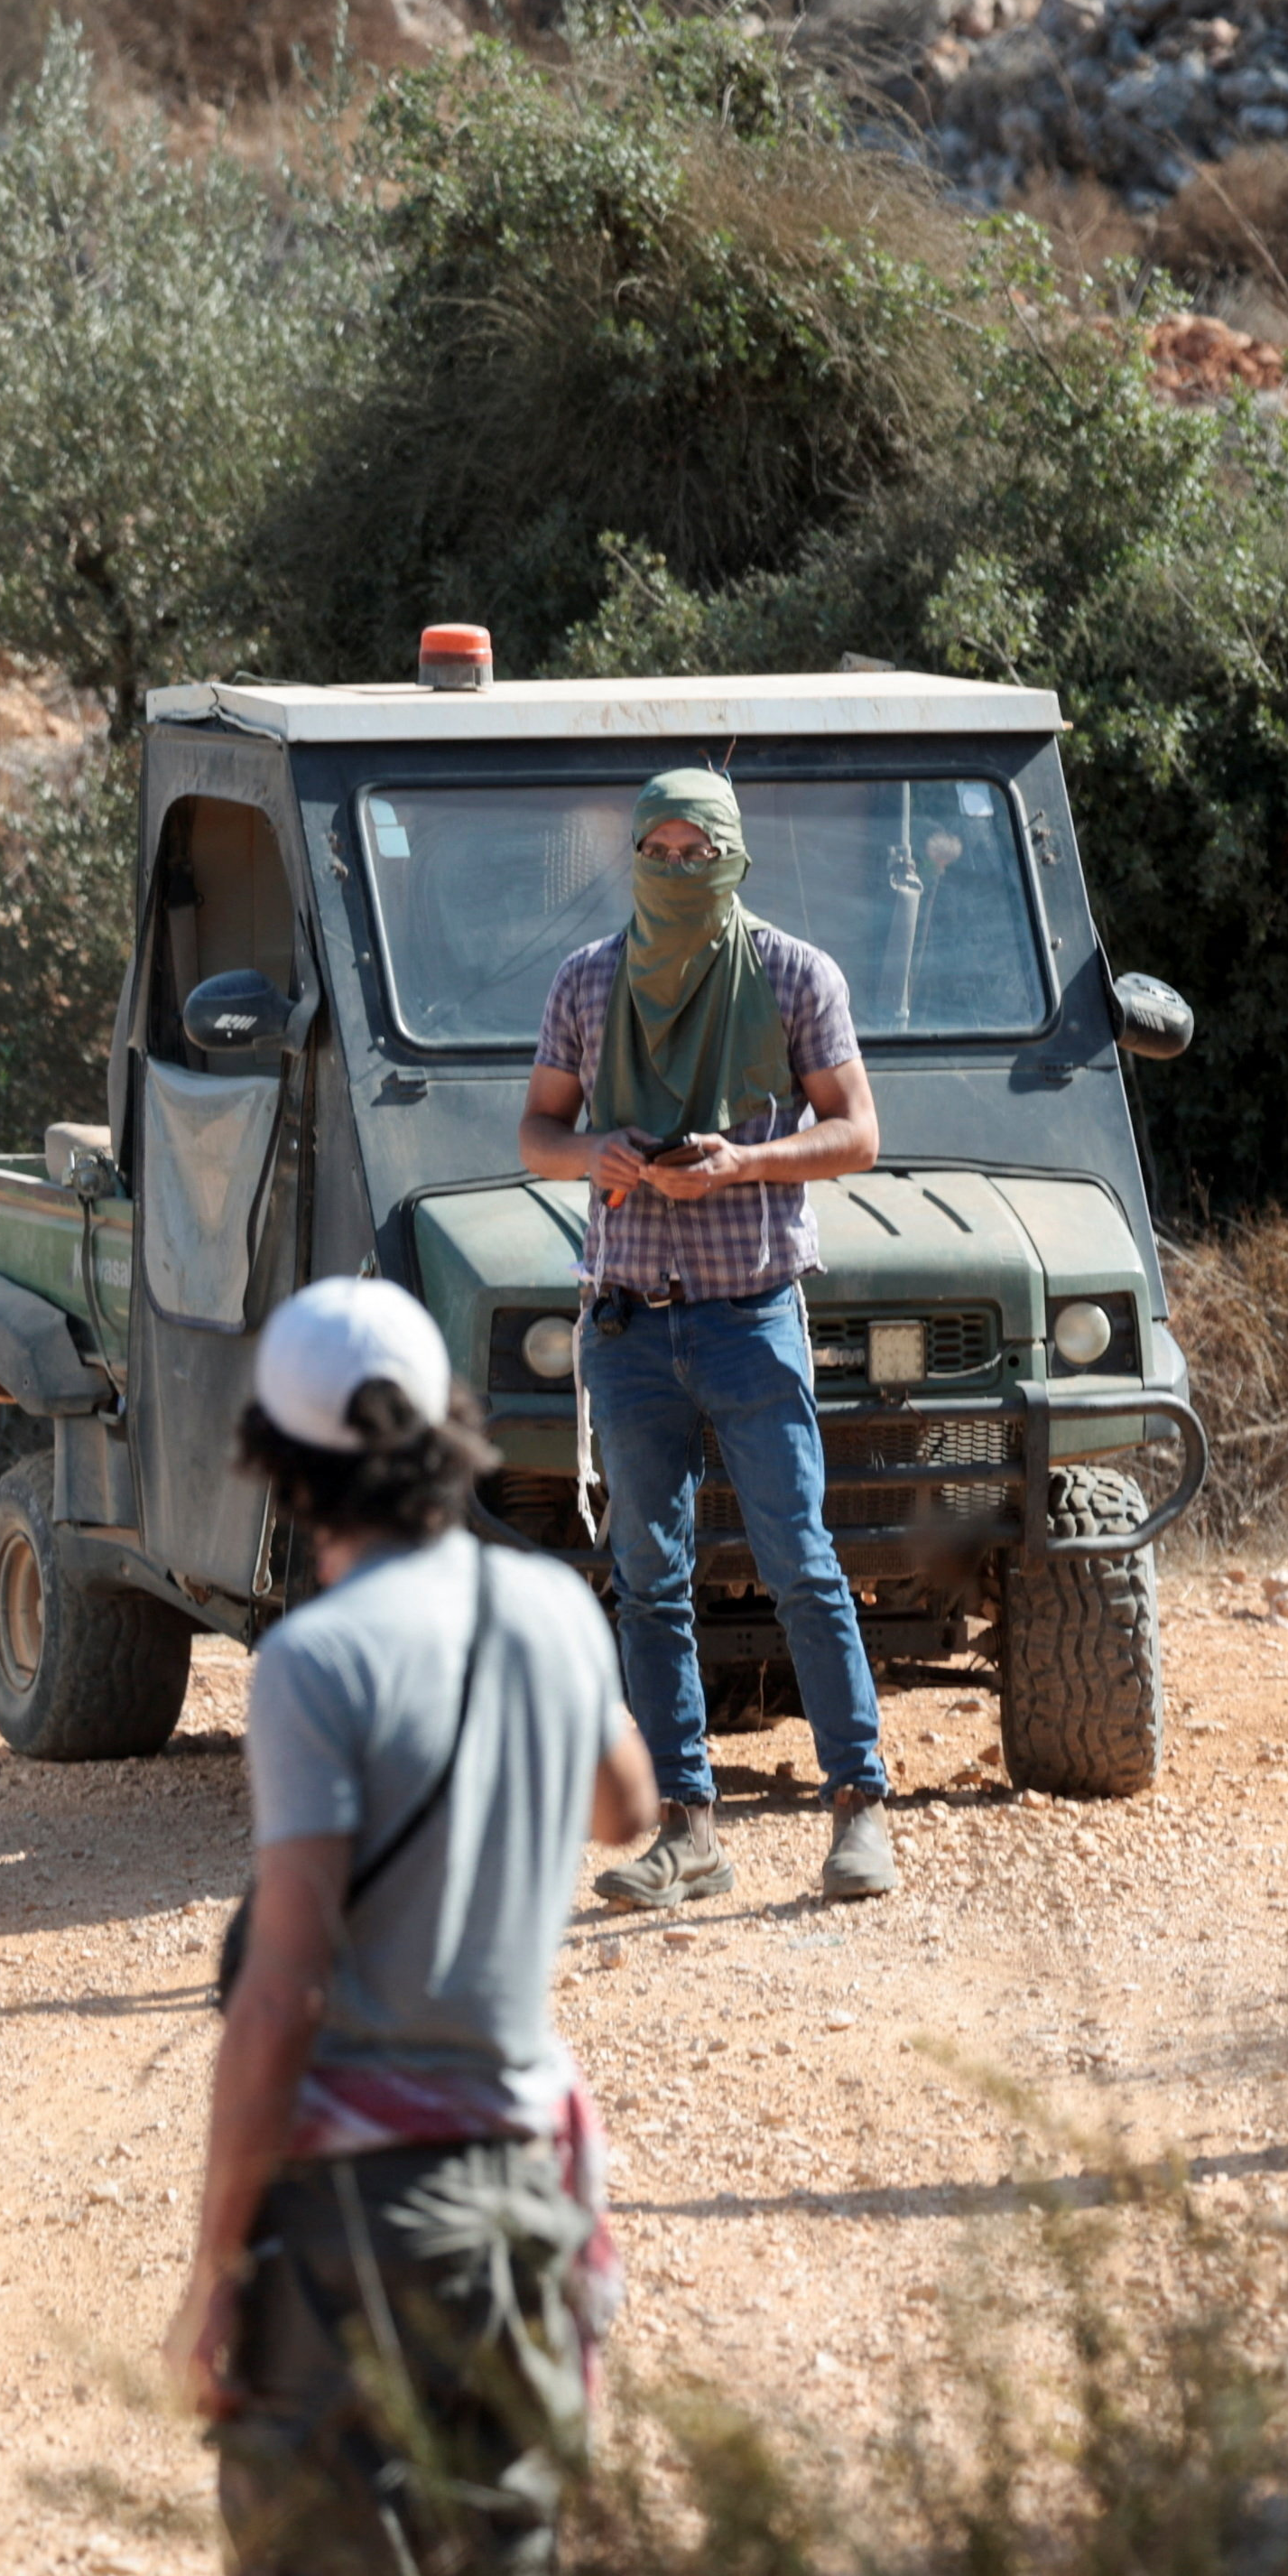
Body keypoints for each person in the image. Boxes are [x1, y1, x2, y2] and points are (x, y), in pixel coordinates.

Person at [167, 1279, 656, 2576]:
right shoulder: (554, 1607)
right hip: (522, 2204)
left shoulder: (314, 1663)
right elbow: (628, 1811)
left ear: (287, 1461)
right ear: (445, 1429)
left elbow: (289, 1988)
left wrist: (213, 2266)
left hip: (356, 2231)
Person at [510, 767, 895, 1911]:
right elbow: (537, 1129)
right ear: (631, 856)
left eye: (698, 853)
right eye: (658, 852)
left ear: (733, 858)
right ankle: (686, 1831)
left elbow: (858, 1133)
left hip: (751, 1317)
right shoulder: (585, 981)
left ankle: (858, 1807)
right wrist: (599, 1155)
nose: (677, 871)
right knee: (648, 1581)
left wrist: (745, 1162)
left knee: (801, 1567)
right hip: (629, 1325)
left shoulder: (791, 975)